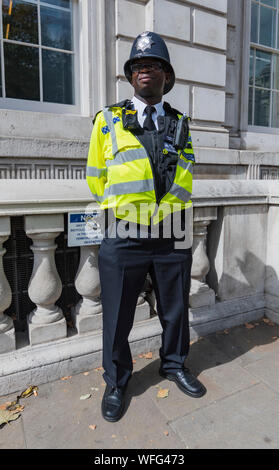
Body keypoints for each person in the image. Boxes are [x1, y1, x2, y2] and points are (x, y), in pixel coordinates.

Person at [86, 31, 206, 423]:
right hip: (124, 234)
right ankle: (117, 381)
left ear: (166, 76)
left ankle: (173, 364)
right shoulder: (107, 119)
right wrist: (123, 213)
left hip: (173, 232)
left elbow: (186, 174)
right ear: (130, 75)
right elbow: (96, 177)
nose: (145, 71)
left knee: (175, 310)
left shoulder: (181, 123)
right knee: (118, 314)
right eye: (139, 65)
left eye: (153, 65)